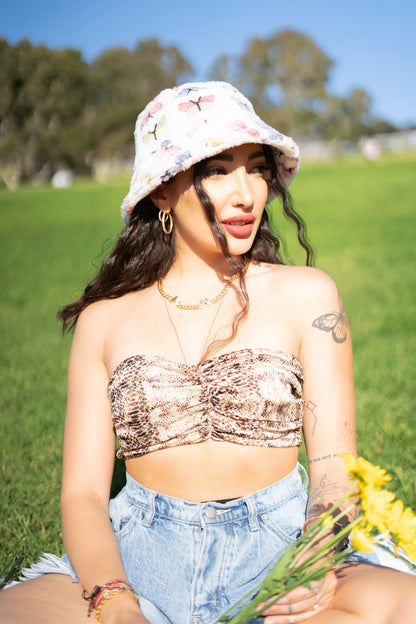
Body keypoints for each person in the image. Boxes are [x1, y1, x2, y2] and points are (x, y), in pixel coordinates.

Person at [0, 81, 415, 624]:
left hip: (279, 556)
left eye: (256, 167)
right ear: (160, 191)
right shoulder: (103, 324)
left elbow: (335, 468)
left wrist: (312, 564)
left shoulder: (308, 295)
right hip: (139, 562)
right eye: (217, 170)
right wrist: (114, 598)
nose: (246, 193)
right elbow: (81, 494)